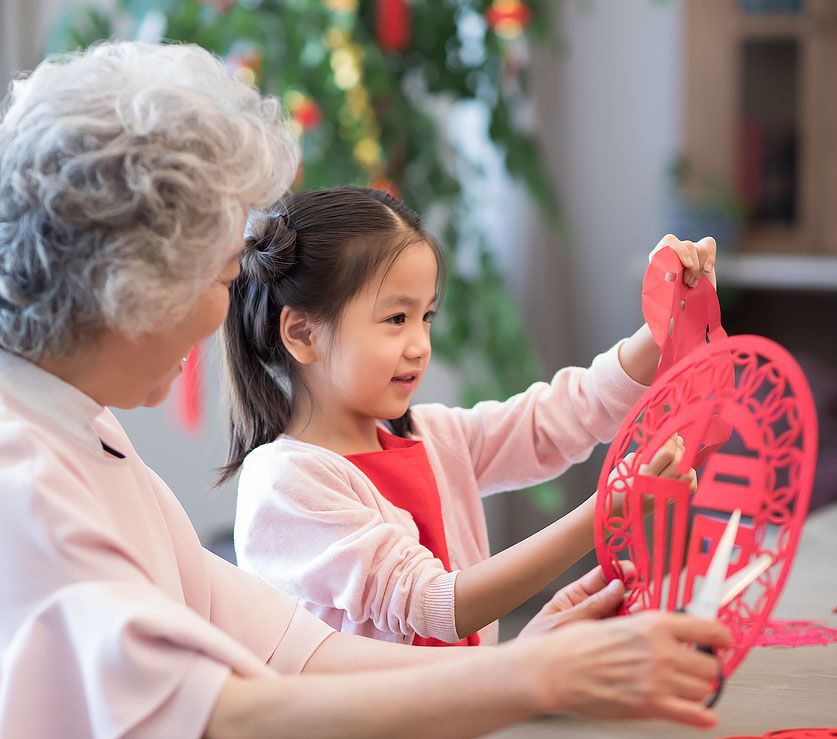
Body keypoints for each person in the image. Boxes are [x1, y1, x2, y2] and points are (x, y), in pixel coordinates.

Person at [0, 40, 728, 739]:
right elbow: (227, 725)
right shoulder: (25, 475)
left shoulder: (87, 434)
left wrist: (518, 669)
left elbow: (298, 653)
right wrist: (534, 672)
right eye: (216, 280)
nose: (221, 316)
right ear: (129, 282)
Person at [226, 185, 710, 646]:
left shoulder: (433, 436)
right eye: (396, 319)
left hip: (461, 721)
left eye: (426, 317)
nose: (420, 346)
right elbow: (437, 607)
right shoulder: (285, 483)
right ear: (303, 335)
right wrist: (604, 512)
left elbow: (558, 418)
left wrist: (661, 330)